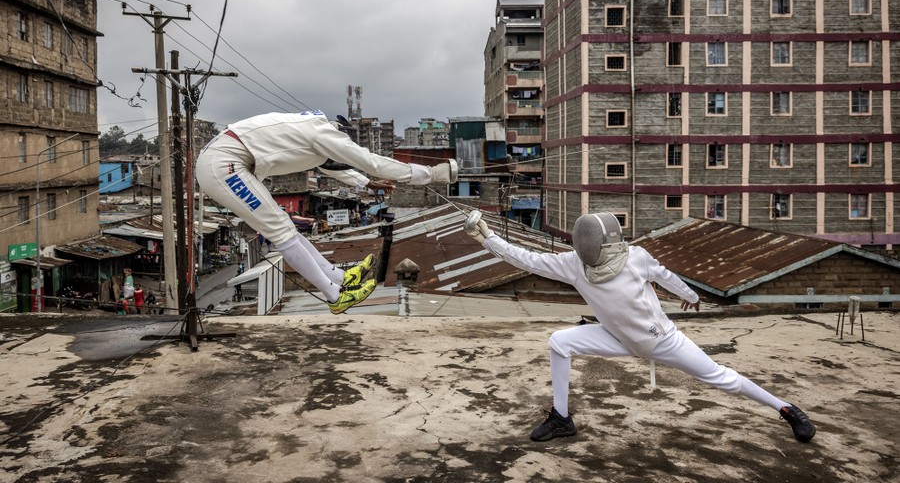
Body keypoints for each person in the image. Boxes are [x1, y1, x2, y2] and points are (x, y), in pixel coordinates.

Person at [464, 211, 816, 444]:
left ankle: (786, 408)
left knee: (721, 378)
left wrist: (690, 295)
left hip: (661, 340)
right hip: (616, 338)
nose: (585, 248)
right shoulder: (574, 264)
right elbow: (526, 258)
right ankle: (561, 418)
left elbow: (665, 276)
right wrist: (487, 238)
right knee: (560, 342)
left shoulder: (636, 257)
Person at [195, 110, 458, 314]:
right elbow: (371, 162)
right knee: (281, 230)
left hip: (226, 158)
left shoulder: (312, 127)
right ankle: (335, 296)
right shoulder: (326, 134)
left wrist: (366, 183)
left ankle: (340, 278)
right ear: (341, 135)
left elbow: (329, 165)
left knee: (283, 226)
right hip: (224, 165)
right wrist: (431, 174)